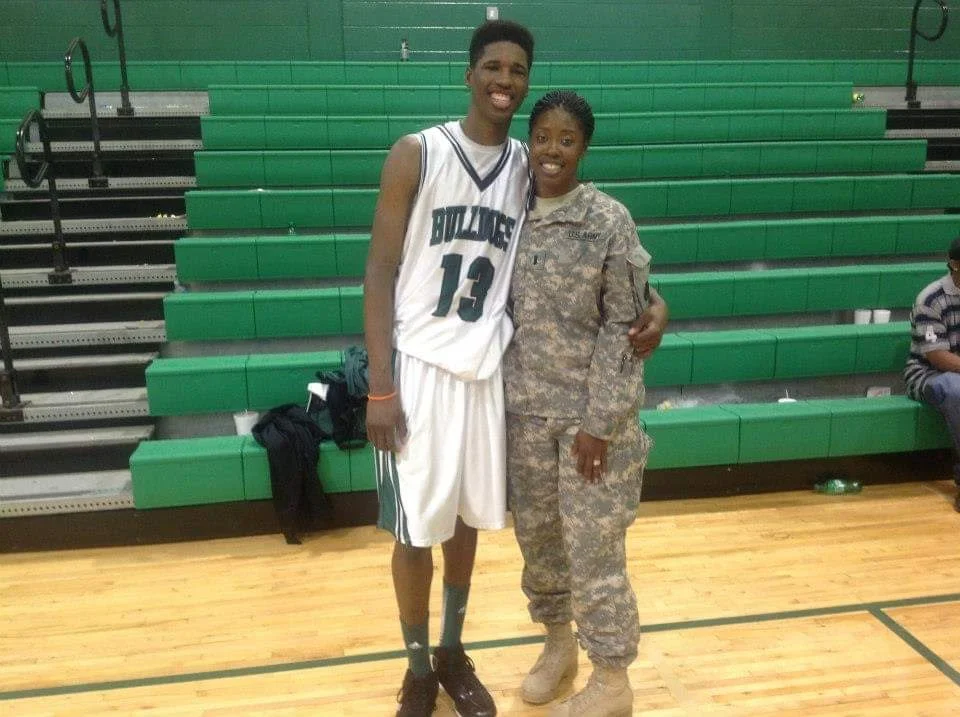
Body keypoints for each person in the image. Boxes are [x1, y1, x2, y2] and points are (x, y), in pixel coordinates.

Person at [364, 19, 536, 717]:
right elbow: (379, 271)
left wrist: (651, 297)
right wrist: (380, 385)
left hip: (483, 371)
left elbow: (586, 226)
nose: (504, 80)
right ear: (469, 75)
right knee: (415, 531)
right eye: (493, 67)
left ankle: (452, 651)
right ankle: (416, 670)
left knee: (465, 521)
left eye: (517, 70)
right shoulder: (417, 153)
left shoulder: (529, 164)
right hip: (419, 368)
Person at [504, 90, 660, 717]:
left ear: (584, 148)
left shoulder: (607, 220)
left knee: (595, 551)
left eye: (566, 140)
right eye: (543, 137)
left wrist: (598, 424)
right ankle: (558, 646)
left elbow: (627, 326)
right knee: (540, 544)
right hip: (524, 415)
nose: (552, 150)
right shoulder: (509, 211)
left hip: (591, 424)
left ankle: (612, 680)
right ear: (529, 141)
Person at [904, 236, 960, 512]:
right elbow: (937, 356)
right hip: (928, 374)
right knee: (956, 389)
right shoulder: (931, 298)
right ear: (954, 264)